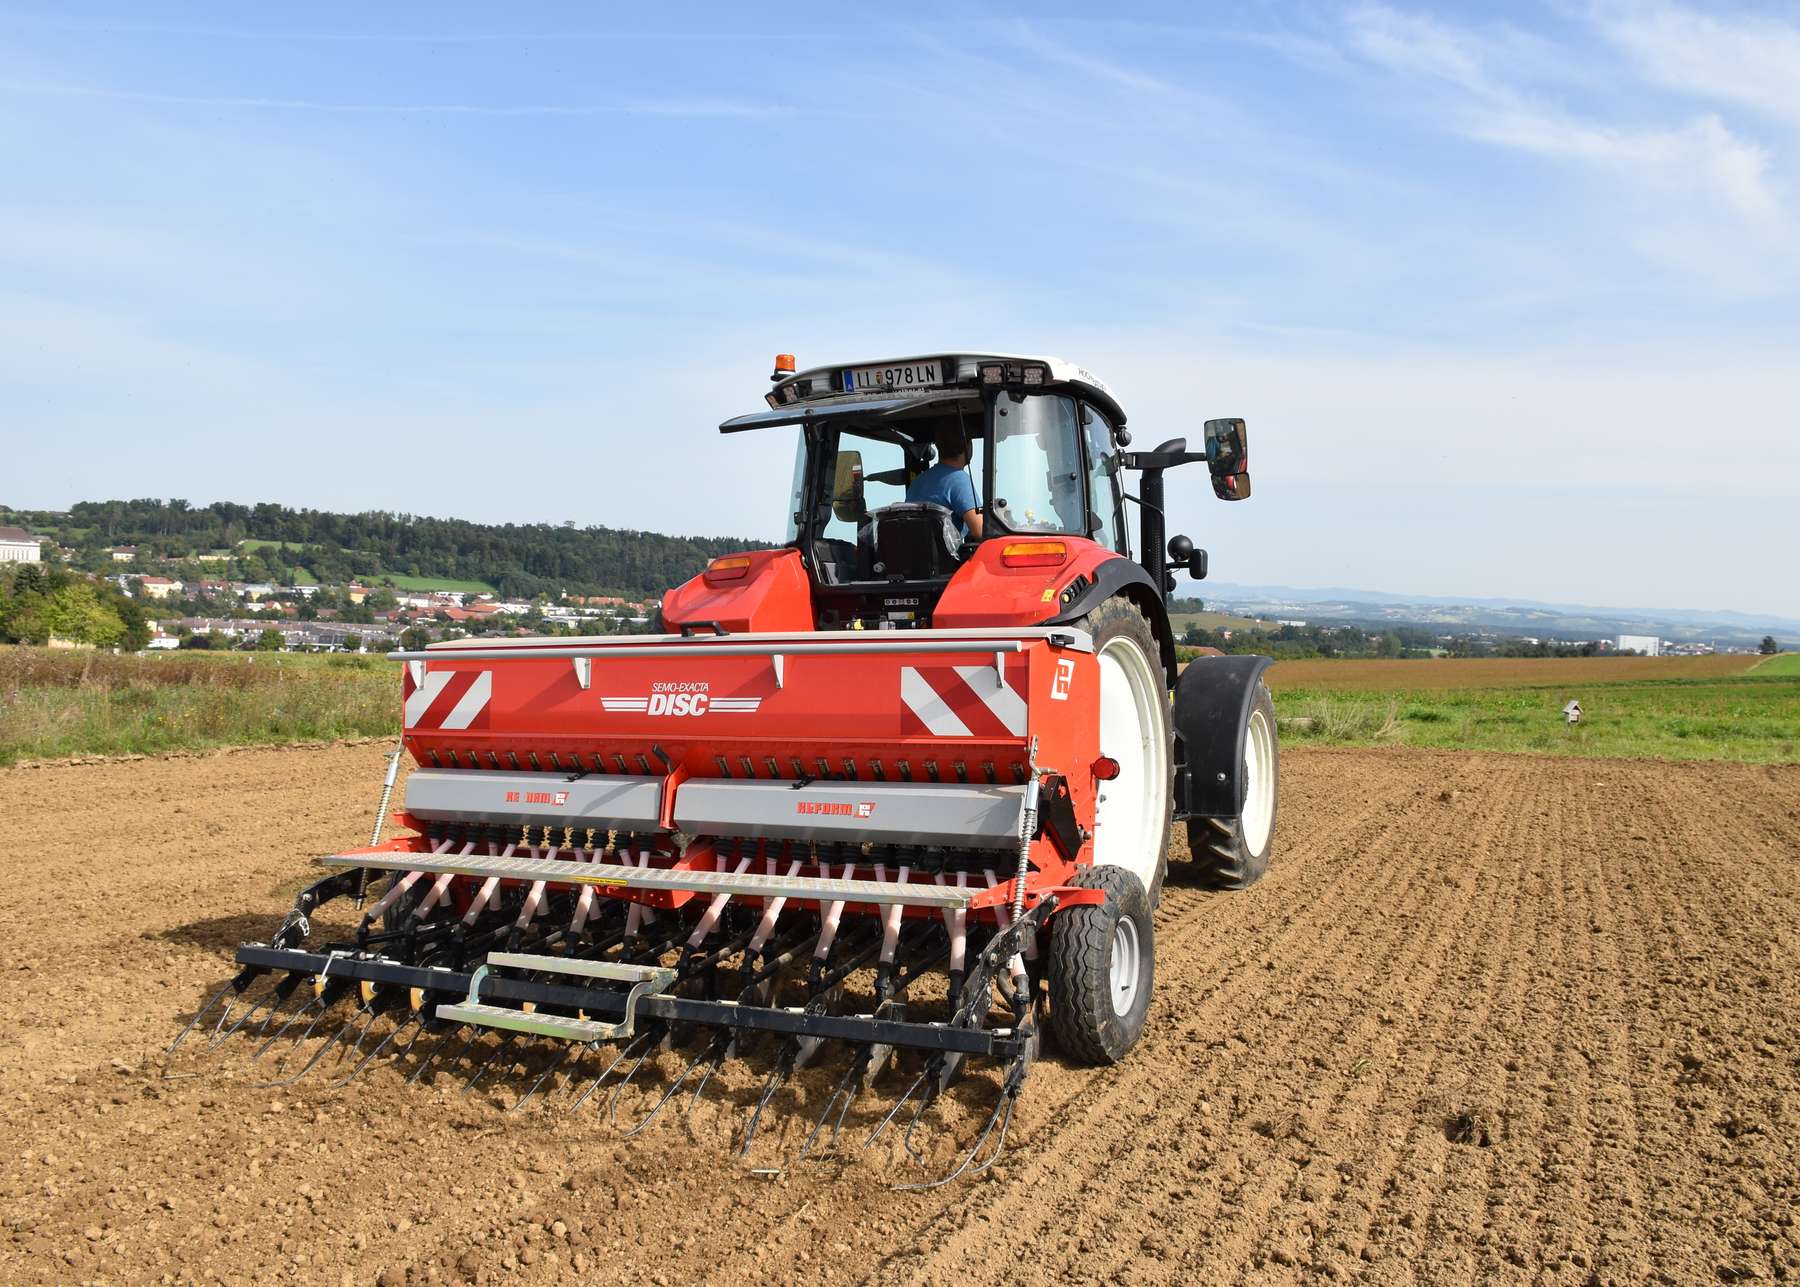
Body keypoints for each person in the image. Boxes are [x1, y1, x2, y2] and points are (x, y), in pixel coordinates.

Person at [905, 423, 984, 539]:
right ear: (968, 446)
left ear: (937, 446)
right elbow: (981, 530)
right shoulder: (958, 479)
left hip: (916, 555)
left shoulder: (918, 481)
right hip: (945, 556)